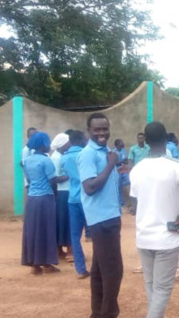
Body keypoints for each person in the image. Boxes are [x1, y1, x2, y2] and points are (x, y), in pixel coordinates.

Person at [130, 122, 179, 318]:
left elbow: (134, 202)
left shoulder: (137, 168)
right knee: (162, 290)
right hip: (168, 237)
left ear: (146, 140)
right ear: (165, 139)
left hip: (144, 236)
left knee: (152, 286)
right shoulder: (177, 165)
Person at [78, 113, 124, 317]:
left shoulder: (106, 151)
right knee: (113, 271)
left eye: (105, 128)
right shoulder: (88, 154)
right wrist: (111, 164)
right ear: (89, 131)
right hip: (102, 220)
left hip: (110, 217)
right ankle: (108, 313)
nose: (102, 133)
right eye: (97, 129)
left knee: (98, 271)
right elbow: (89, 187)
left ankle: (97, 313)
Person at [21, 132, 60, 275]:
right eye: (47, 143)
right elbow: (52, 181)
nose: (49, 146)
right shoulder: (46, 161)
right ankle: (47, 264)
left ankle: (34, 265)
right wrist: (55, 194)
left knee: (32, 231)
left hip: (31, 198)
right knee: (47, 230)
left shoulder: (27, 161)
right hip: (45, 198)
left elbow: (29, 180)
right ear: (43, 145)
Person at [62, 131, 90, 279]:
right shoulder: (85, 154)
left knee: (75, 235)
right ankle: (99, 265)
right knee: (97, 232)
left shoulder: (64, 157)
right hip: (87, 197)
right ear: (81, 140)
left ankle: (80, 269)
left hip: (73, 197)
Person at [50, 133, 72, 260]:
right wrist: (71, 175)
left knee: (61, 221)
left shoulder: (59, 156)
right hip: (62, 192)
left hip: (62, 192)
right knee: (65, 221)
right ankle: (69, 250)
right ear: (63, 144)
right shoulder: (57, 158)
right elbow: (55, 178)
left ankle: (59, 250)